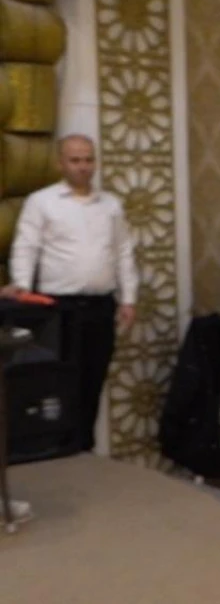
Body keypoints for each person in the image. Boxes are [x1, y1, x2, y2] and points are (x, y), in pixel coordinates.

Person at [5, 134, 137, 452]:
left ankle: (84, 448)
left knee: (94, 378)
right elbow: (26, 246)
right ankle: (58, 449)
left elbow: (123, 251)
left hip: (101, 305)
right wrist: (21, 286)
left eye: (89, 159)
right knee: (59, 380)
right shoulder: (42, 201)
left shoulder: (110, 205)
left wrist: (129, 298)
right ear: (60, 163)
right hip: (58, 308)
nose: (83, 166)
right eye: (75, 160)